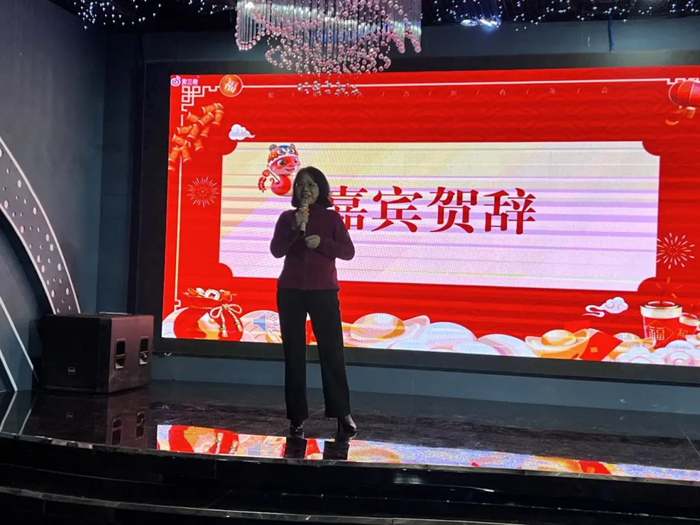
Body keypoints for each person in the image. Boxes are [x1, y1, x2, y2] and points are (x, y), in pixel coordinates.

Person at [270, 166, 357, 438]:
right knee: (294, 355)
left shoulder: (332, 218)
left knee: (332, 353)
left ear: (321, 189)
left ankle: (341, 413)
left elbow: (348, 252)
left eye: (311, 184)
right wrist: (294, 230)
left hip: (323, 293)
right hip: (290, 292)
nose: (305, 189)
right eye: (300, 184)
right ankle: (296, 417)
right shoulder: (287, 218)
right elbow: (276, 251)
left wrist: (322, 243)